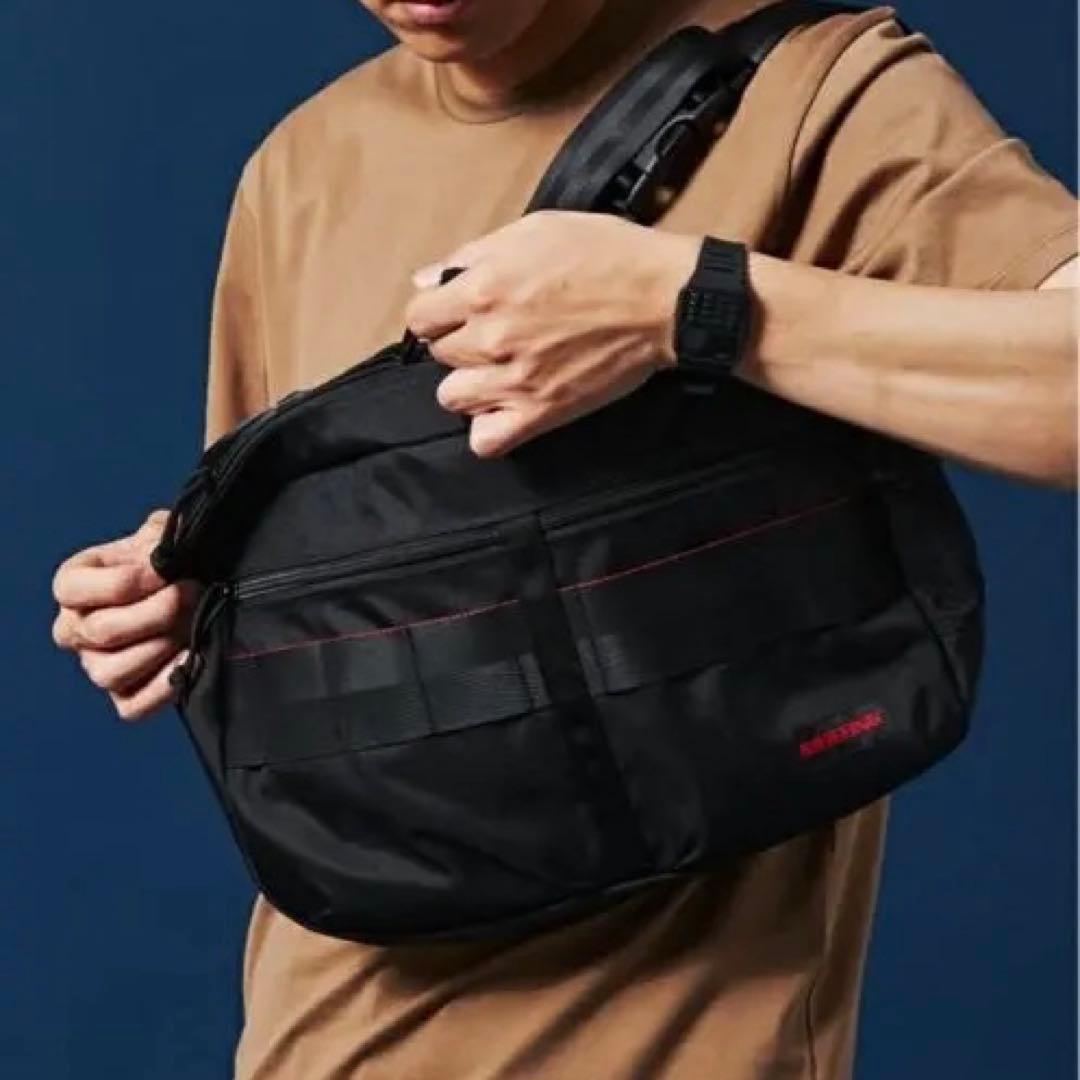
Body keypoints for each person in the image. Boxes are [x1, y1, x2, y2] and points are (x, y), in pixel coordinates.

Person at [51, 1, 1077, 1076]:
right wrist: (180, 600)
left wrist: (691, 306)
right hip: (314, 1042)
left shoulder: (812, 91)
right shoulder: (301, 164)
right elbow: (333, 573)